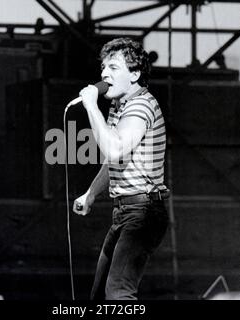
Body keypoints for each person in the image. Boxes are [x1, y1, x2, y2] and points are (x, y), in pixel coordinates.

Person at [73, 37, 170, 300]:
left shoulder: (140, 106)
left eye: (114, 67)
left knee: (118, 295)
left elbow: (114, 148)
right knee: (99, 297)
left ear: (135, 73)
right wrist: (91, 194)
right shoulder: (120, 106)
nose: (104, 73)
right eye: (103, 68)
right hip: (125, 211)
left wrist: (91, 105)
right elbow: (115, 160)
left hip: (143, 212)